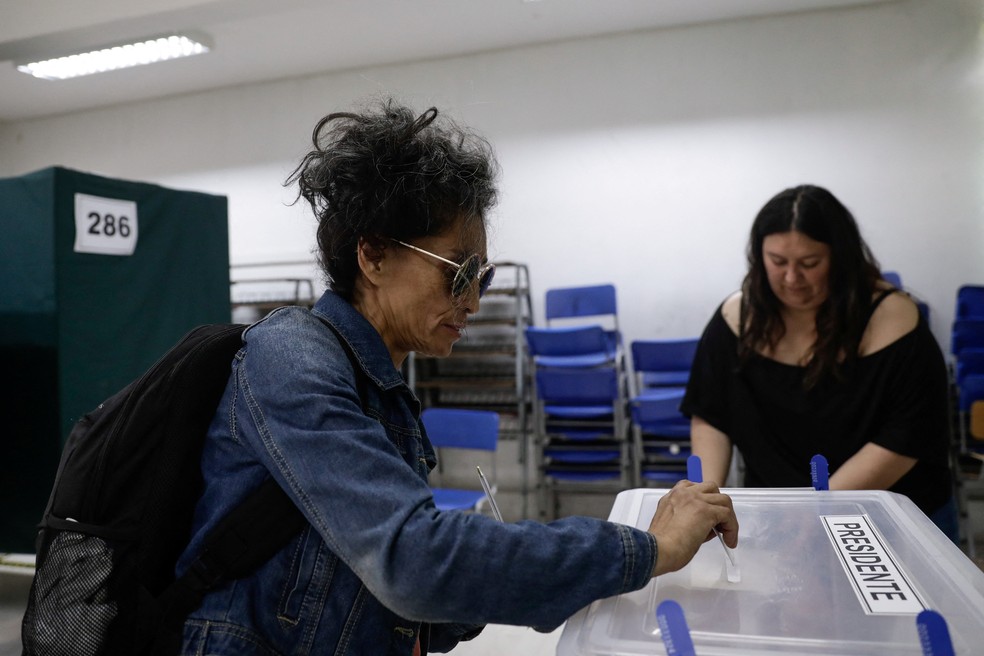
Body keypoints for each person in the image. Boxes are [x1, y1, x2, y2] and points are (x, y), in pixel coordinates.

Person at [176, 99, 738, 655]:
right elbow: (412, 561)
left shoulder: (384, 389)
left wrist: (549, 580)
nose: (473, 301)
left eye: (483, 277)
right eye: (460, 272)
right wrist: (646, 549)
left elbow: (400, 594)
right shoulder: (292, 357)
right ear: (372, 256)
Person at [682, 184, 957, 541]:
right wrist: (708, 497)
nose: (792, 279)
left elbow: (904, 440)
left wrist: (816, 509)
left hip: (892, 517)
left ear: (841, 258)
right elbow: (710, 414)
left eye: (810, 264)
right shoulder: (738, 317)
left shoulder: (893, 321)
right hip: (780, 515)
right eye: (778, 262)